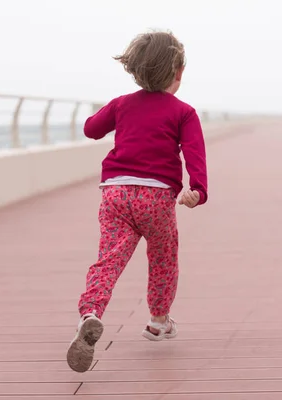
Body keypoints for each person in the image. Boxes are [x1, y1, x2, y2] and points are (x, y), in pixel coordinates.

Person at [66, 30, 208, 373]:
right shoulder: (183, 112)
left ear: (136, 69)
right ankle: (159, 321)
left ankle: (91, 312)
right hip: (156, 197)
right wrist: (197, 190)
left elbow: (90, 129)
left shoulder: (121, 104)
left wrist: (114, 111)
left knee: (109, 259)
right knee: (162, 257)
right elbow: (194, 153)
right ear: (178, 71)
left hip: (115, 192)